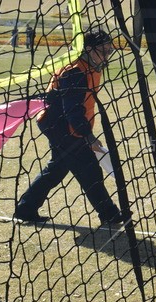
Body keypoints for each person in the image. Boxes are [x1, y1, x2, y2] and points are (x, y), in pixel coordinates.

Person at [14, 29, 127, 228]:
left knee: (56, 169)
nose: (108, 55)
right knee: (89, 170)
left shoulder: (92, 66)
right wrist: (88, 136)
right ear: (89, 49)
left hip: (64, 124)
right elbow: (73, 111)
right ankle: (110, 215)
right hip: (61, 126)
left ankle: (25, 209)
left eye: (110, 50)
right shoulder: (75, 72)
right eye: (104, 50)